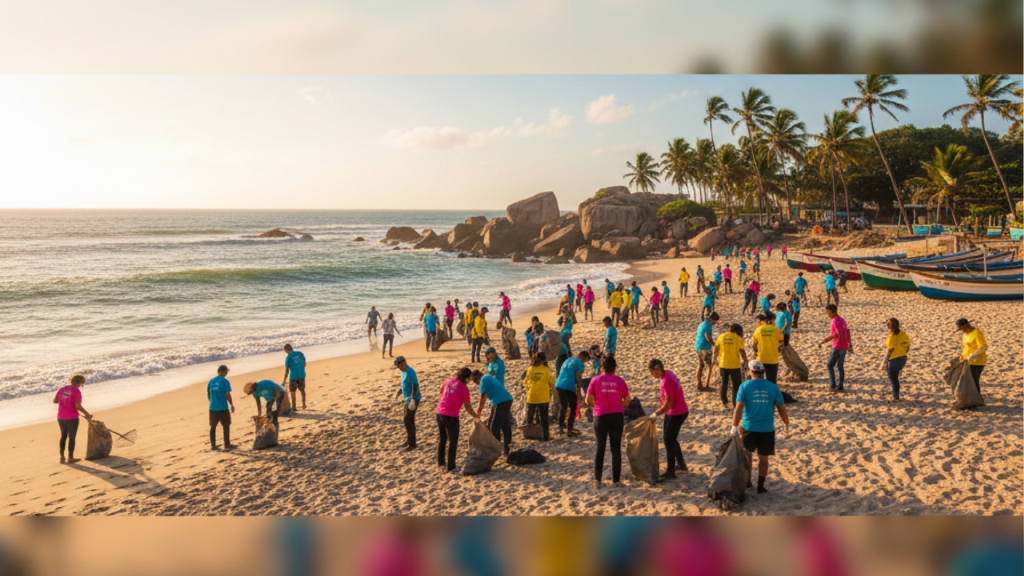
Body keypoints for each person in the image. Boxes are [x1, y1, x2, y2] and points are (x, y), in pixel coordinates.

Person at [732, 360, 790, 494]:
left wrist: (734, 426)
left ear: (751, 372)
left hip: (749, 428)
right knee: (764, 459)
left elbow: (739, 409)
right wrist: (786, 422)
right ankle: (761, 486)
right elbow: (781, 408)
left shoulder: (744, 386)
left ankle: (747, 482)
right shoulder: (773, 387)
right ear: (763, 372)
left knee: (747, 457)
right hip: (767, 429)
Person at [585, 355, 631, 489]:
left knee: (600, 448)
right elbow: (627, 400)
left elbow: (588, 400)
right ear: (615, 368)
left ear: (601, 368)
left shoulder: (595, 380)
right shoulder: (620, 381)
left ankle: (597, 480)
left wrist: (597, 407)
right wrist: (619, 407)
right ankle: (616, 480)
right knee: (615, 448)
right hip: (616, 416)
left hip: (600, 416)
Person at [648, 359, 688, 480]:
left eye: (652, 373)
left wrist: (656, 413)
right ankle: (681, 464)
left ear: (658, 369)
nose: (652, 376)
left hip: (677, 412)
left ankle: (671, 471)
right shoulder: (668, 374)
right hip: (672, 412)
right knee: (670, 438)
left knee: (668, 440)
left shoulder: (666, 381)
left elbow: (668, 403)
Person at [436, 367, 480, 472]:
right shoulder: (463, 388)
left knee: (443, 438)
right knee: (453, 440)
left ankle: (441, 462)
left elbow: (441, 392)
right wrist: (475, 416)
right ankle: (451, 466)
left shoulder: (449, 381)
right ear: (468, 378)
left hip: (439, 412)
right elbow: (468, 407)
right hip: (451, 415)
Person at [473, 368, 513, 455]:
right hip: (507, 399)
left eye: (473, 381)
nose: (474, 383)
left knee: (494, 426)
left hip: (500, 402)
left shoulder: (483, 380)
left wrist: (478, 413)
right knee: (504, 423)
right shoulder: (488, 377)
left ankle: (496, 449)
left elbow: (483, 398)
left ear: (476, 378)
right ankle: (507, 447)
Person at [54, 374, 93, 464]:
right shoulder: (77, 392)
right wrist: (87, 414)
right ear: (80, 383)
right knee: (72, 437)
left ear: (71, 381)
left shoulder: (62, 389)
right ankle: (70, 457)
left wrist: (65, 401)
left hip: (61, 416)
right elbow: (78, 406)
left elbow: (55, 401)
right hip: (72, 418)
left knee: (63, 436)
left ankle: (62, 457)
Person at [818, 304, 853, 393]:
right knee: (840, 366)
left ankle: (832, 385)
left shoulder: (835, 321)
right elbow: (847, 331)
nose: (828, 315)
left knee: (830, 365)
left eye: (829, 313)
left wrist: (824, 341)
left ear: (834, 312)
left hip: (837, 346)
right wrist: (849, 345)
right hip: (844, 346)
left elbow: (835, 335)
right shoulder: (842, 320)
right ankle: (840, 386)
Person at [555, 350, 589, 436]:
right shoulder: (580, 363)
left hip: (559, 384)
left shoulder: (568, 360)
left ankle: (561, 427)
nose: (585, 362)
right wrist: (578, 390)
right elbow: (578, 377)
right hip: (568, 385)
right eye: (586, 360)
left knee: (563, 406)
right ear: (584, 357)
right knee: (573, 407)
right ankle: (569, 430)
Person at [390, 357, 421, 450]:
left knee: (409, 421)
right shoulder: (404, 372)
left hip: (413, 400)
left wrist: (413, 400)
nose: (399, 368)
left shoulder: (410, 373)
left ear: (403, 363)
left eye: (399, 366)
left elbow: (415, 387)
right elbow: (406, 384)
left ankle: (412, 444)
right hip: (407, 399)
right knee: (406, 420)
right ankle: (409, 440)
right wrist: (401, 391)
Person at [715, 324, 748, 408]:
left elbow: (716, 348)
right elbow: (742, 351)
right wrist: (745, 361)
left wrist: (714, 359)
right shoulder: (738, 338)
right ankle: (734, 402)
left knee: (724, 382)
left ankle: (724, 400)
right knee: (736, 385)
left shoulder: (721, 337)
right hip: (734, 365)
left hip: (723, 364)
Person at [524, 352, 555, 441]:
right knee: (544, 417)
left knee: (530, 416)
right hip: (543, 397)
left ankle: (528, 434)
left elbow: (525, 381)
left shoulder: (530, 369)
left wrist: (531, 386)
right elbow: (551, 380)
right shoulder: (545, 369)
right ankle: (545, 436)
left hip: (532, 396)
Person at [956, 318, 988, 397]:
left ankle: (977, 399)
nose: (961, 330)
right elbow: (966, 346)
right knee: (968, 380)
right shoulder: (965, 333)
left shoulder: (977, 333)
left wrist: (973, 355)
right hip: (967, 360)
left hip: (978, 361)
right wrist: (962, 356)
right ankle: (970, 398)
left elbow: (984, 347)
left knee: (974, 381)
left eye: (961, 328)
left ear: (966, 325)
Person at [881, 318, 910, 403]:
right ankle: (896, 394)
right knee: (895, 376)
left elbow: (889, 351)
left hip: (893, 360)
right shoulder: (904, 335)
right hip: (903, 359)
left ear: (889, 327)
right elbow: (907, 348)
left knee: (893, 379)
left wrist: (884, 363)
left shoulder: (891, 338)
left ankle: (896, 397)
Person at [207, 365, 235, 450]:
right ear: (225, 372)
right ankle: (227, 444)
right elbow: (227, 394)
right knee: (226, 425)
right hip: (223, 407)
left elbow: (208, 393)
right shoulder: (225, 381)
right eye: (227, 372)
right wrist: (231, 405)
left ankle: (213, 445)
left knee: (213, 426)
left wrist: (212, 401)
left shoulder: (211, 381)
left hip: (212, 407)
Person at [752, 314, 783, 385]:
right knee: (772, 379)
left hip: (761, 358)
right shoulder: (775, 329)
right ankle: (771, 394)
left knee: (760, 379)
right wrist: (779, 350)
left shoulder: (758, 329)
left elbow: (754, 344)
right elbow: (781, 342)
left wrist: (755, 353)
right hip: (773, 359)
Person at [695, 312, 718, 391]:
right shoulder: (708, 325)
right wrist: (714, 344)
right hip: (705, 348)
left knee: (701, 365)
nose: (715, 323)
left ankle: (698, 383)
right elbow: (707, 336)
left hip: (698, 346)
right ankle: (707, 385)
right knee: (710, 365)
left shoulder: (701, 324)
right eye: (715, 321)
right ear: (712, 319)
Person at [282, 344, 307, 411]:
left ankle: (294, 407)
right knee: (302, 390)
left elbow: (287, 370)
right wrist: (300, 370)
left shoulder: (288, 357)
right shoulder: (300, 353)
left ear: (286, 350)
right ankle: (304, 404)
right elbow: (304, 363)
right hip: (302, 375)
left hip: (293, 377)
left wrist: (284, 380)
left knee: (293, 392)